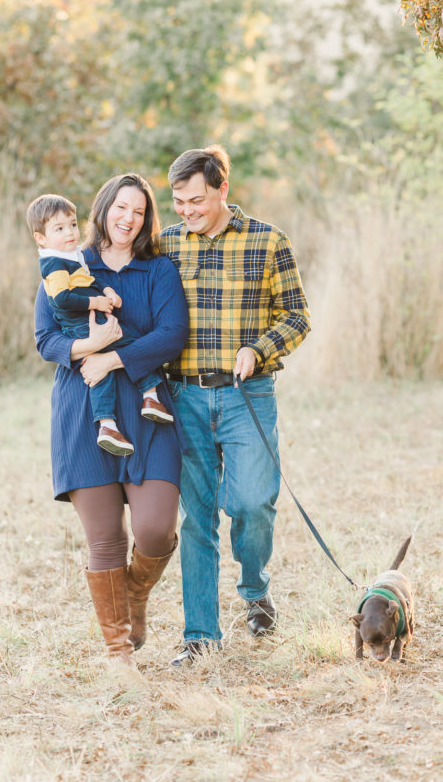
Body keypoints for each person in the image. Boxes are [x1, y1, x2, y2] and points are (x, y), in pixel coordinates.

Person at [159, 145, 310, 666]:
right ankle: (200, 635)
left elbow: (297, 317)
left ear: (223, 189)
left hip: (248, 395)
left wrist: (258, 348)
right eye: (178, 201)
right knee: (197, 519)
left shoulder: (269, 242)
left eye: (196, 200)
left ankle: (255, 587)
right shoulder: (166, 246)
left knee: (251, 503)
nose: (186, 210)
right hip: (185, 398)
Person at [34, 174, 189, 668]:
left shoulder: (158, 269)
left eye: (139, 212)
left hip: (148, 410)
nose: (129, 218)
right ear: (103, 210)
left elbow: (172, 336)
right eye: (121, 208)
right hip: (84, 411)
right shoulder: (67, 264)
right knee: (105, 539)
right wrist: (91, 349)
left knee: (155, 530)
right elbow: (45, 340)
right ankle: (119, 654)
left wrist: (114, 360)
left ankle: (135, 595)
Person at [27, 192, 173, 457]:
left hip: (92, 320)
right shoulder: (54, 262)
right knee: (123, 349)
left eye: (72, 225)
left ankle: (130, 409)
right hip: (81, 326)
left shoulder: (73, 257)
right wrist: (94, 321)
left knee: (121, 353)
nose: (70, 232)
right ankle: (131, 406)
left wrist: (106, 292)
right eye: (59, 228)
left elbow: (88, 281)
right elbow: (61, 300)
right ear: (41, 238)